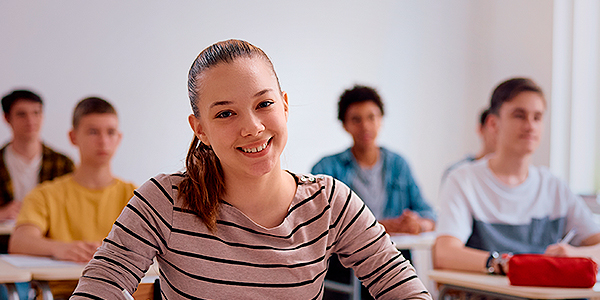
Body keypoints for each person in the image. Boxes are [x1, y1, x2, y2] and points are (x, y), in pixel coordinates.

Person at [70, 40, 431, 300]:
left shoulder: (330, 202)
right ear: (201, 130)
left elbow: (403, 287)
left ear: (285, 105)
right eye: (226, 113)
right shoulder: (164, 200)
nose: (253, 127)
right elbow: (102, 283)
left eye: (264, 103)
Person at [433, 77, 600, 275]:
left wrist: (575, 254)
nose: (530, 126)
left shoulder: (554, 186)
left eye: (537, 117)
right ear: (493, 124)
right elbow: (444, 254)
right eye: (519, 116)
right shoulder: (463, 180)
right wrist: (505, 264)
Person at [9, 97, 135, 263]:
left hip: (122, 288)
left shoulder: (134, 195)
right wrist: (60, 248)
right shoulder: (45, 194)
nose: (103, 141)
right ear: (73, 136)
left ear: (119, 138)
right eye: (93, 132)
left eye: (110, 132)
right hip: (62, 288)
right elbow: (19, 242)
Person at [311, 85, 436, 234]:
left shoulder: (398, 165)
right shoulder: (326, 169)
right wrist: (377, 227)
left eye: (371, 117)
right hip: (347, 257)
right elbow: (315, 222)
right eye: (356, 119)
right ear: (345, 125)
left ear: (381, 119)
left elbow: (429, 214)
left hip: (396, 254)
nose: (365, 126)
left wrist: (418, 225)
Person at [0, 89, 74, 222]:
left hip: (47, 239)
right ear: (7, 118)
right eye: (22, 114)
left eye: (36, 113)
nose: (30, 120)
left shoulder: (63, 163)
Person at [440, 108, 496, 183]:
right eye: (492, 125)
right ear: (480, 129)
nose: (497, 133)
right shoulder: (455, 172)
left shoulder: (511, 177)